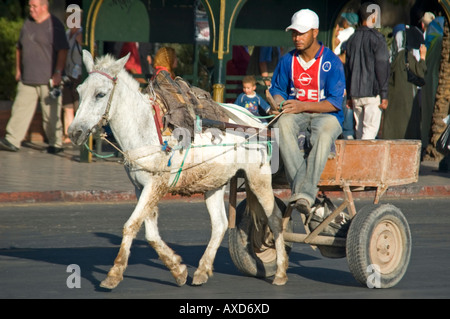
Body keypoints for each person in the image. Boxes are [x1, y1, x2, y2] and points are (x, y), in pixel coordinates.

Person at [269, 9, 345, 215]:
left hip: (327, 115)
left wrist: (302, 105)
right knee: (281, 124)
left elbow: (335, 102)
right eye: (294, 33)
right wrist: (278, 102)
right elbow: (277, 89)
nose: (297, 38)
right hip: (296, 113)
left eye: (302, 33)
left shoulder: (332, 62)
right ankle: (303, 193)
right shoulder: (287, 60)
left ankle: (305, 193)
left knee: (324, 133)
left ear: (315, 32)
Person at [0, 0, 69, 153]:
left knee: (51, 114)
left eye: (34, 6)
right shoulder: (27, 24)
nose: (31, 9)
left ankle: (56, 144)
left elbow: (63, 51)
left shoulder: (54, 25)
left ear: (44, 7)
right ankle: (12, 140)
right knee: (20, 109)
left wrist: (58, 73)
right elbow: (19, 48)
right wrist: (18, 69)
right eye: (29, 6)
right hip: (28, 78)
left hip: (49, 80)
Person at [345, 2, 390, 140]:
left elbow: (348, 68)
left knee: (359, 131)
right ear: (374, 17)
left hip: (355, 94)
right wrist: (384, 94)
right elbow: (382, 67)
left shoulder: (351, 39)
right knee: (369, 131)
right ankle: (363, 161)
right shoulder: (377, 38)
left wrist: (349, 96)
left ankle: (358, 160)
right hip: (372, 92)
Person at [381, 27, 427, 140]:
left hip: (392, 101)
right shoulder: (406, 56)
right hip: (407, 102)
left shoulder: (391, 56)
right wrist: (423, 57)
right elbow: (421, 72)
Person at [62, 10, 83, 144]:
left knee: (78, 106)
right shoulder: (66, 34)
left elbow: (93, 51)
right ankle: (68, 134)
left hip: (81, 75)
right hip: (68, 74)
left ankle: (81, 135)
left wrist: (81, 41)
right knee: (67, 106)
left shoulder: (83, 34)